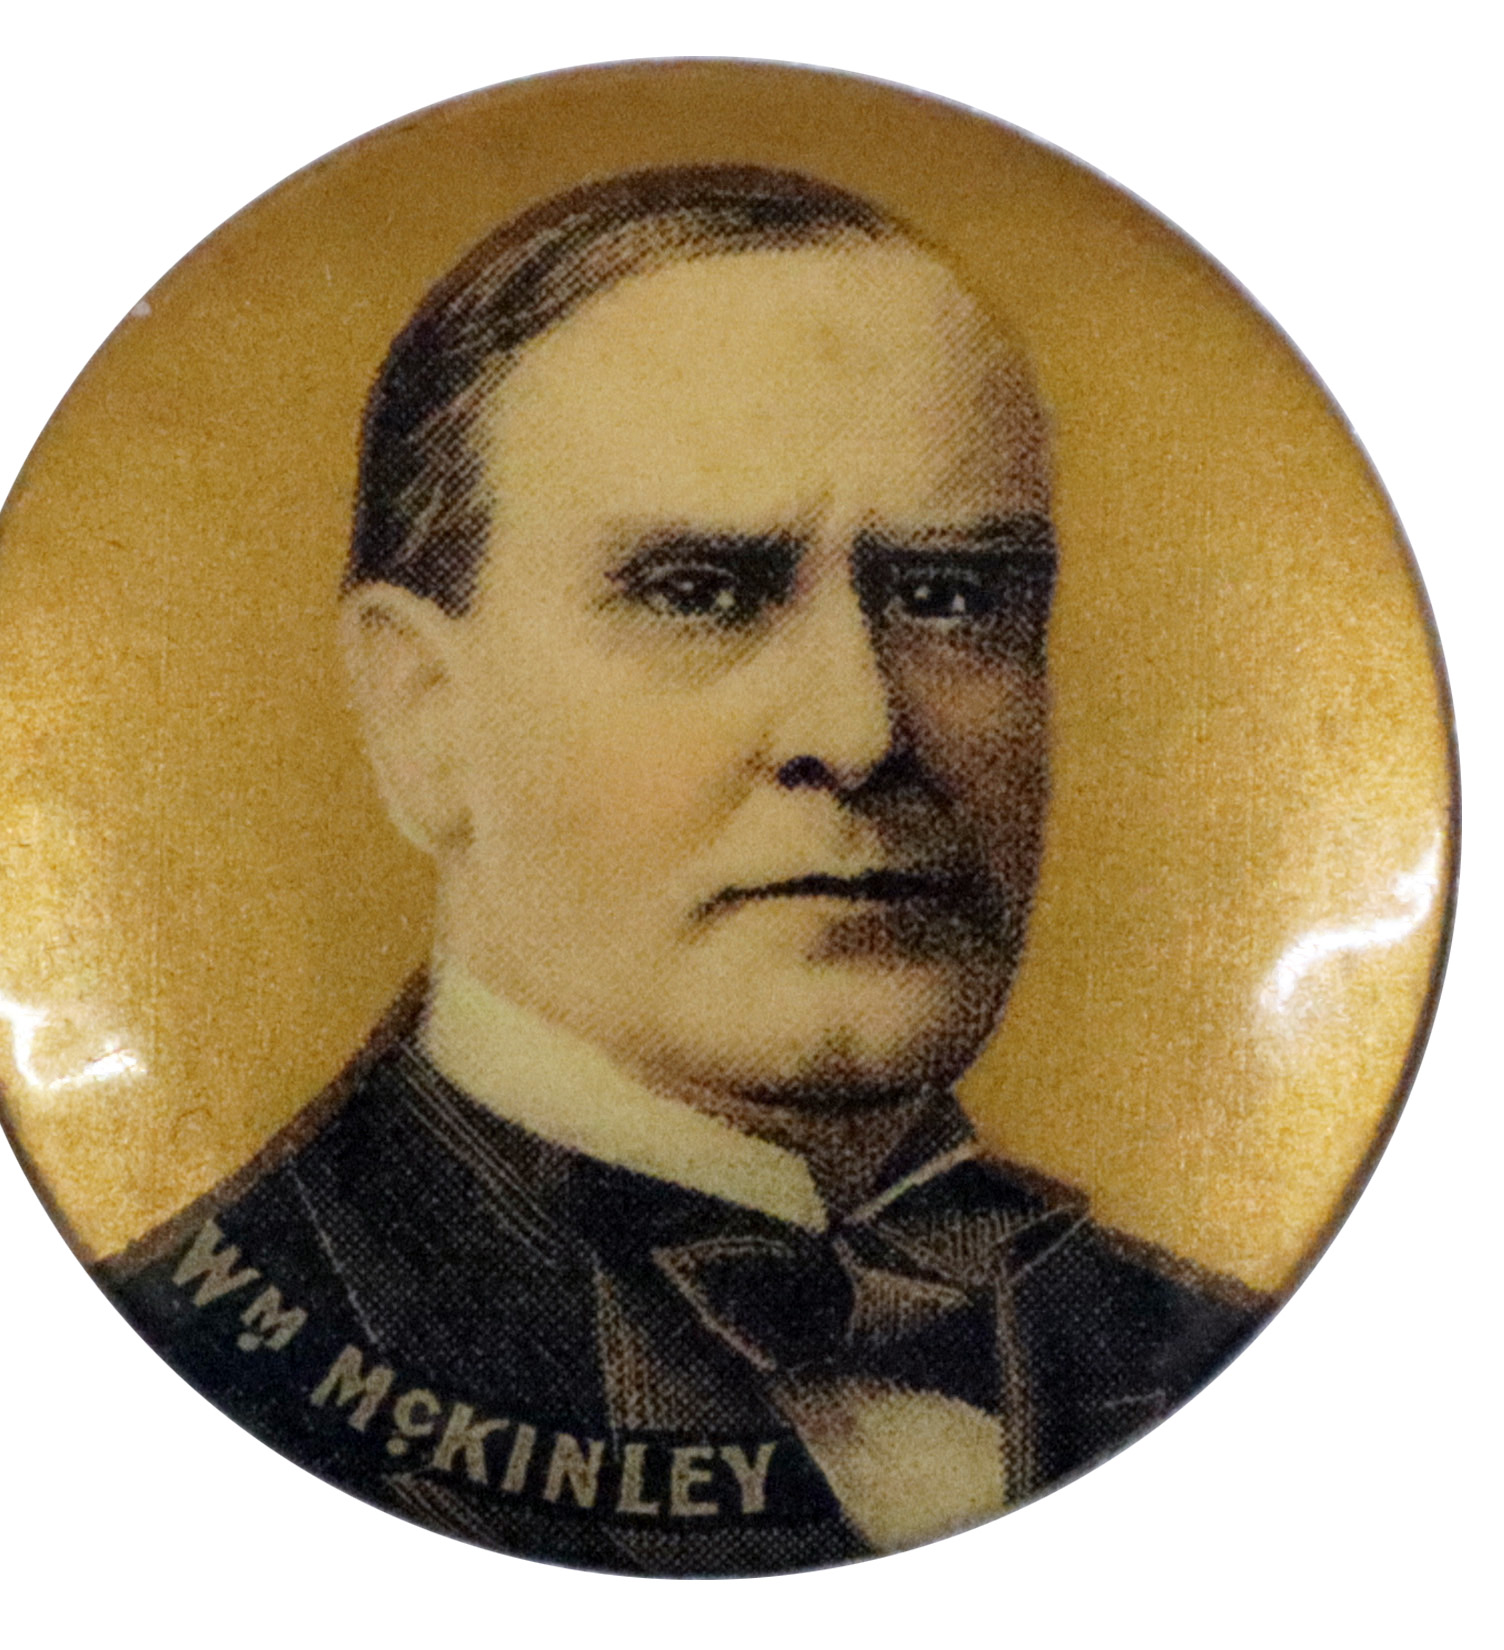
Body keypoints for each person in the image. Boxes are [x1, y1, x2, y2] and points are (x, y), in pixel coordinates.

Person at [100, 166, 1266, 1576]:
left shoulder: (1229, 1359)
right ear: (423, 713)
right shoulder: (168, 1381)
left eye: (953, 597)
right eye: (701, 594)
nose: (860, 729)